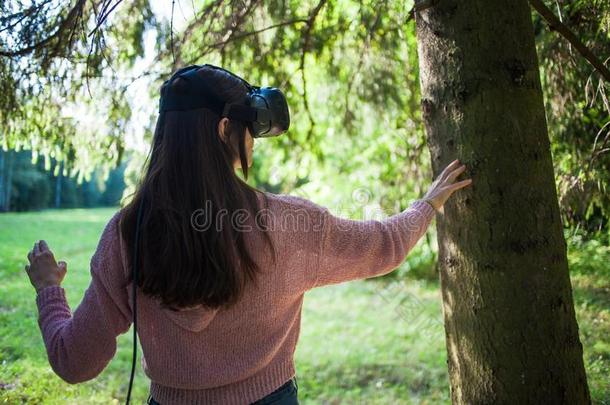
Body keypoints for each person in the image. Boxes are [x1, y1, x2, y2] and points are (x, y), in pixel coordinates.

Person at [24, 65, 472, 405]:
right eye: (249, 131)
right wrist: (427, 204)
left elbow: (74, 362)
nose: (253, 142)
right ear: (225, 131)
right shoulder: (290, 224)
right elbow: (384, 246)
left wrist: (49, 290)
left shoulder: (126, 234)